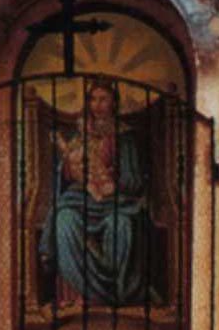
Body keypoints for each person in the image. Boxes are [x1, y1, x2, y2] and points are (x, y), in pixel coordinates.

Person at [39, 78, 146, 306]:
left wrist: (112, 181)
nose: (97, 105)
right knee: (64, 219)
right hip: (81, 199)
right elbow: (66, 171)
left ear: (113, 103)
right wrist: (70, 169)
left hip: (116, 202)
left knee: (120, 226)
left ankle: (116, 294)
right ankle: (77, 293)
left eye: (103, 99)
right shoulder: (81, 133)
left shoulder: (125, 136)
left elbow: (134, 180)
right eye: (93, 99)